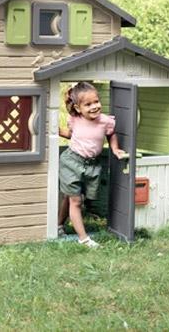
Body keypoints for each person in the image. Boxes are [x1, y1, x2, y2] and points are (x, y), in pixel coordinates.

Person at [58, 82, 125, 248]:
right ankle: (83, 239)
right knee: (75, 200)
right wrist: (57, 131)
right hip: (72, 162)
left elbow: (111, 135)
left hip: (91, 165)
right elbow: (71, 135)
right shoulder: (75, 120)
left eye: (96, 101)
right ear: (78, 108)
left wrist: (115, 149)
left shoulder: (105, 121)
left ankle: (59, 225)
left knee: (71, 197)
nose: (94, 106)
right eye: (88, 104)